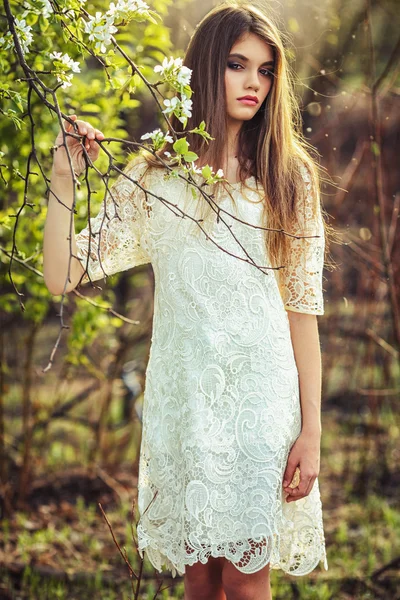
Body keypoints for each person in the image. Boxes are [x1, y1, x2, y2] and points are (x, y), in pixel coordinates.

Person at [43, 2, 330, 599]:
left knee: (247, 580)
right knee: (199, 579)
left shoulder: (287, 176)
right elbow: (61, 273)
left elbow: (303, 309)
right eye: (236, 64)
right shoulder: (156, 176)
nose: (254, 82)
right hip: (185, 403)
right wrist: (64, 180)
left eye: (266, 69)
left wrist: (312, 430)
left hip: (262, 403)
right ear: (205, 68)